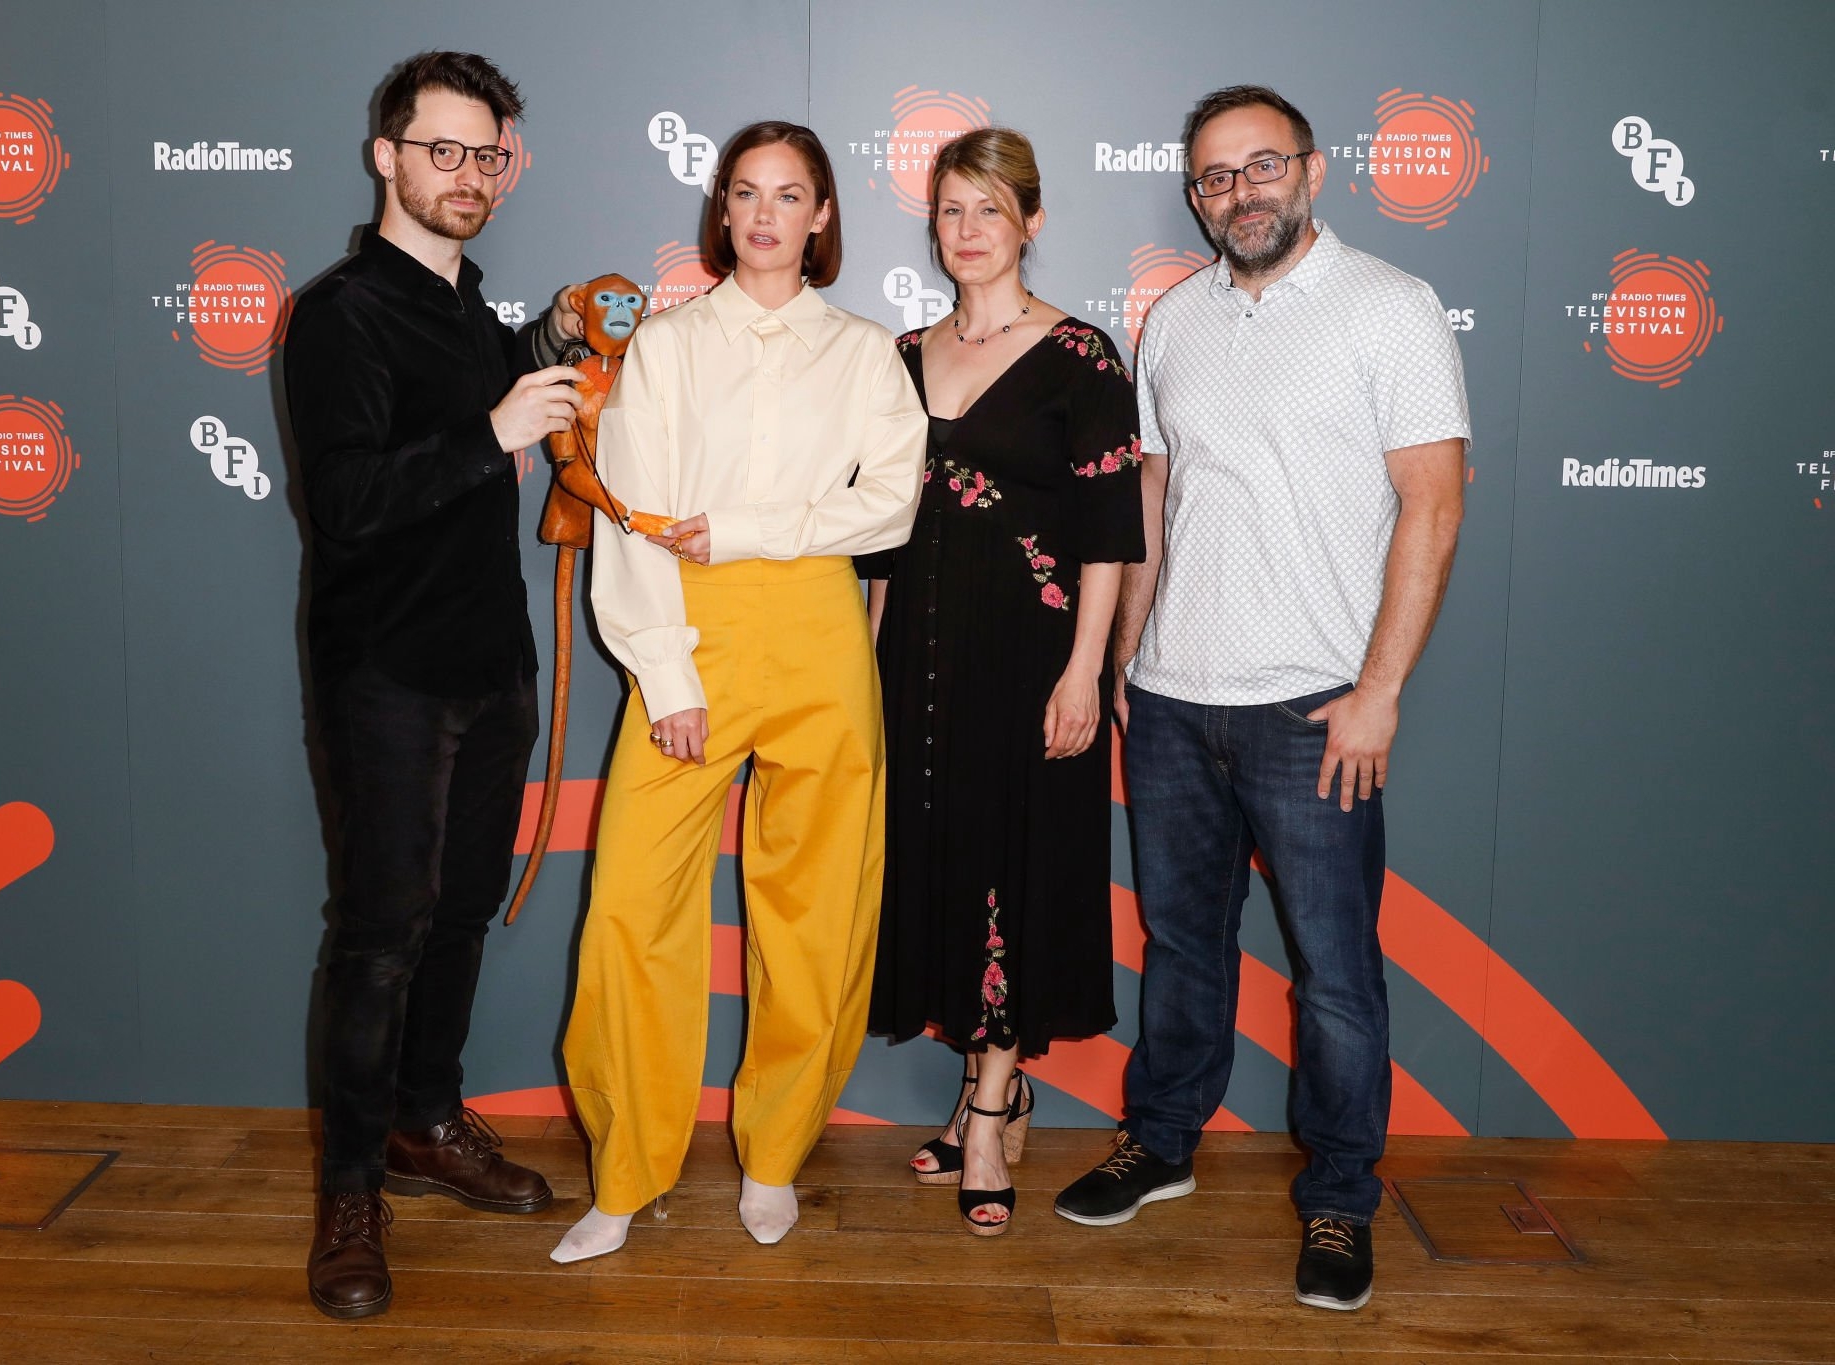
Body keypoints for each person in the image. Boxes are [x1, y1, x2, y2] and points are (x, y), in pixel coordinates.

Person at [1051, 85, 1469, 1313]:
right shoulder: (1172, 318)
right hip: (1171, 701)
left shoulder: (1388, 307)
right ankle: (1161, 1140)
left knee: (1332, 970)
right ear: (1194, 196)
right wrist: (1128, 656)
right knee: (1181, 945)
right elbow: (1154, 499)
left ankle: (1339, 1196)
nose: (1238, 193)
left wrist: (1378, 691)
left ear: (1312, 170)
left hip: (1312, 709)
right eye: (1214, 177)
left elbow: (1432, 505)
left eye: (1259, 166)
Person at [551, 120, 928, 1264]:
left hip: (817, 632)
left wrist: (752, 529)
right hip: (688, 630)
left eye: (789, 195)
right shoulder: (665, 346)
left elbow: (891, 504)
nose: (765, 215)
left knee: (816, 912)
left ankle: (774, 1159)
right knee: (630, 910)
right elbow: (632, 515)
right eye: (746, 193)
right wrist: (665, 672)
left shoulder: (862, 351)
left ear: (822, 216)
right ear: (721, 210)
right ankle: (624, 1172)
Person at [283, 50, 595, 1320]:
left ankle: (424, 1121)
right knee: (378, 936)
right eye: (443, 151)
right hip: (387, 681)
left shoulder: (466, 310)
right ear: (387, 157)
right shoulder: (339, 313)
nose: (469, 175)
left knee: (459, 917)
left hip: (490, 670)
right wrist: (495, 431)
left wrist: (544, 340)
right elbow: (348, 501)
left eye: (487, 155)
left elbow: (469, 388)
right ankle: (349, 1194)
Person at [861, 127, 1144, 1237]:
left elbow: (1109, 535)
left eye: (989, 208)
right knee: (940, 871)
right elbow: (883, 542)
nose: (968, 230)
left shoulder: (1081, 357)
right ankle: (991, 1088)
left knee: (1014, 874)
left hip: (1033, 665)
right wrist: (868, 668)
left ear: (1030, 221)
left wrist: (1085, 673)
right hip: (918, 665)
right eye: (950, 209)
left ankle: (987, 1113)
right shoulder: (899, 355)